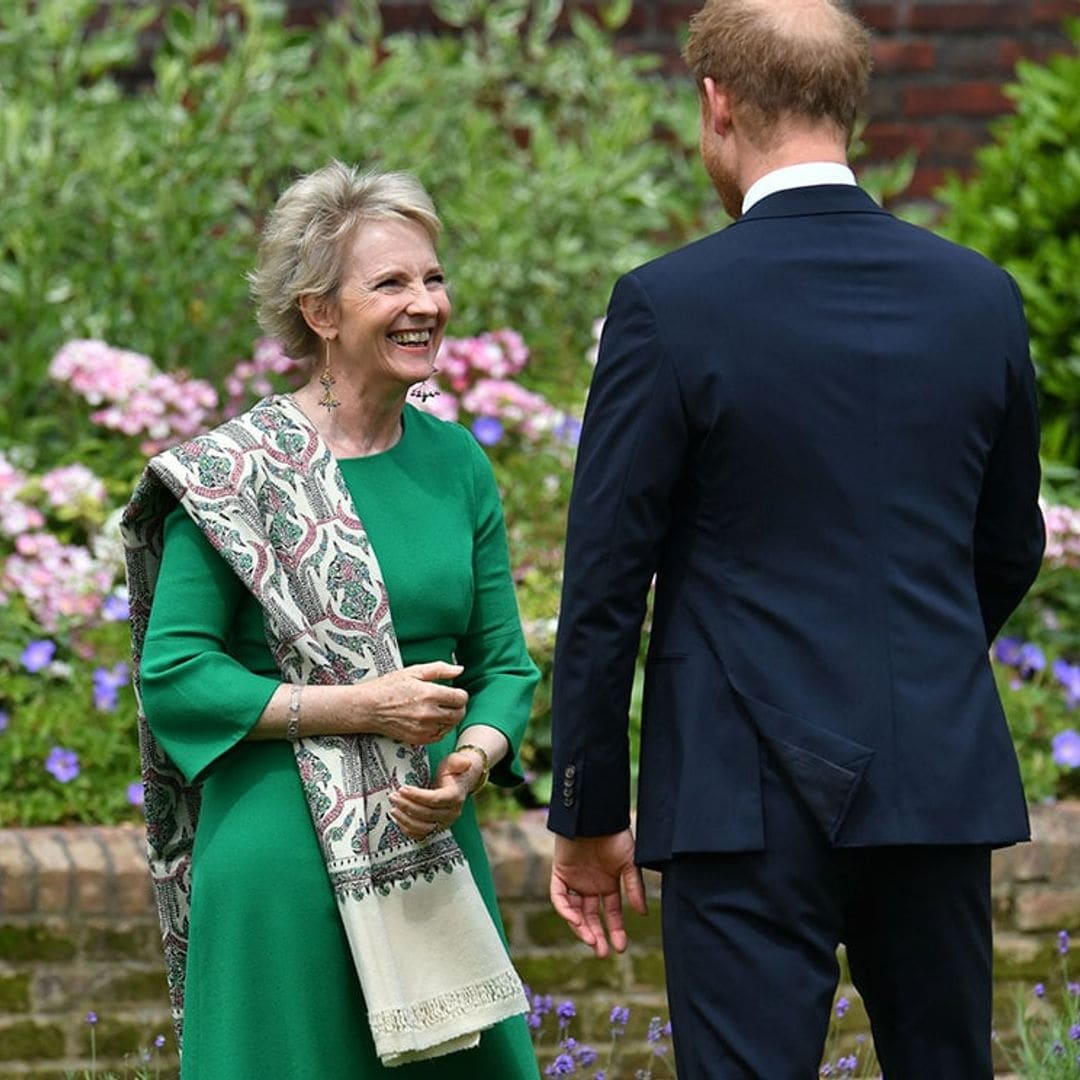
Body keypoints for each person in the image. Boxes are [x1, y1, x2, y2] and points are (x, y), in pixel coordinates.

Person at [546, 1, 1045, 1076]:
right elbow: (1010, 547)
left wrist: (588, 807)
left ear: (716, 105)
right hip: (934, 777)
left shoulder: (668, 305)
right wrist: (917, 665)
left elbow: (604, 582)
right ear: (849, 108)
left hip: (740, 794)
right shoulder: (980, 299)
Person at [121, 161, 541, 1079]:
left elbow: (504, 667)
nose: (424, 301)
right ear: (319, 313)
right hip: (282, 861)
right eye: (390, 283)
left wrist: (469, 763)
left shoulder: (457, 463)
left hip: (428, 840)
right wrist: (360, 707)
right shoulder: (236, 476)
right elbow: (177, 674)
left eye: (432, 277)